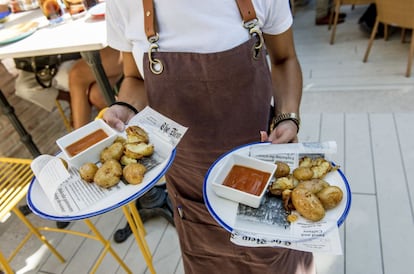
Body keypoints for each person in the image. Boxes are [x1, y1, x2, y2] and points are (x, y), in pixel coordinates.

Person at [104, 0, 315, 273]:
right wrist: (126, 106)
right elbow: (135, 78)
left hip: (265, 172)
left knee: (276, 261)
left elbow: (285, 59)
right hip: (191, 187)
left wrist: (287, 116)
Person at [68, 47, 123, 129]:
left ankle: (81, 137)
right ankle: (126, 128)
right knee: (97, 94)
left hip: (122, 46)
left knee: (76, 75)